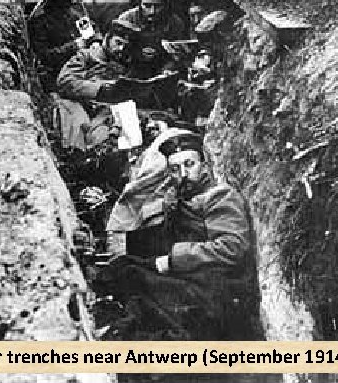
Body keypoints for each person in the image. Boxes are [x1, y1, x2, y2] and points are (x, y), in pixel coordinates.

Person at [94, 130, 261, 341]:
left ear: (204, 165)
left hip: (219, 284)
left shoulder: (220, 196)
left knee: (137, 281)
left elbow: (232, 247)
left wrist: (172, 261)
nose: (183, 174)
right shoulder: (185, 195)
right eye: (175, 169)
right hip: (195, 272)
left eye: (189, 164)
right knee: (122, 267)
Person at [54, 18, 140, 150]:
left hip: (107, 112)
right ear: (107, 38)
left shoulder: (123, 66)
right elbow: (64, 82)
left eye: (125, 46)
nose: (121, 49)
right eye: (118, 43)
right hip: (81, 106)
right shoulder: (86, 56)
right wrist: (99, 87)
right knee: (79, 122)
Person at [28, 0, 96, 92]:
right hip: (59, 70)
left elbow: (88, 30)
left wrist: (95, 41)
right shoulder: (41, 18)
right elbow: (44, 56)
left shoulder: (76, 7)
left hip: (85, 61)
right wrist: (73, 46)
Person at [117, 0, 189, 80]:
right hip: (131, 69)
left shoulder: (175, 23)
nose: (152, 11)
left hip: (162, 70)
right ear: (139, 3)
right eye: (147, 5)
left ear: (165, 5)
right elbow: (115, 53)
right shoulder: (127, 19)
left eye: (158, 6)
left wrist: (167, 70)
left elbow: (179, 55)